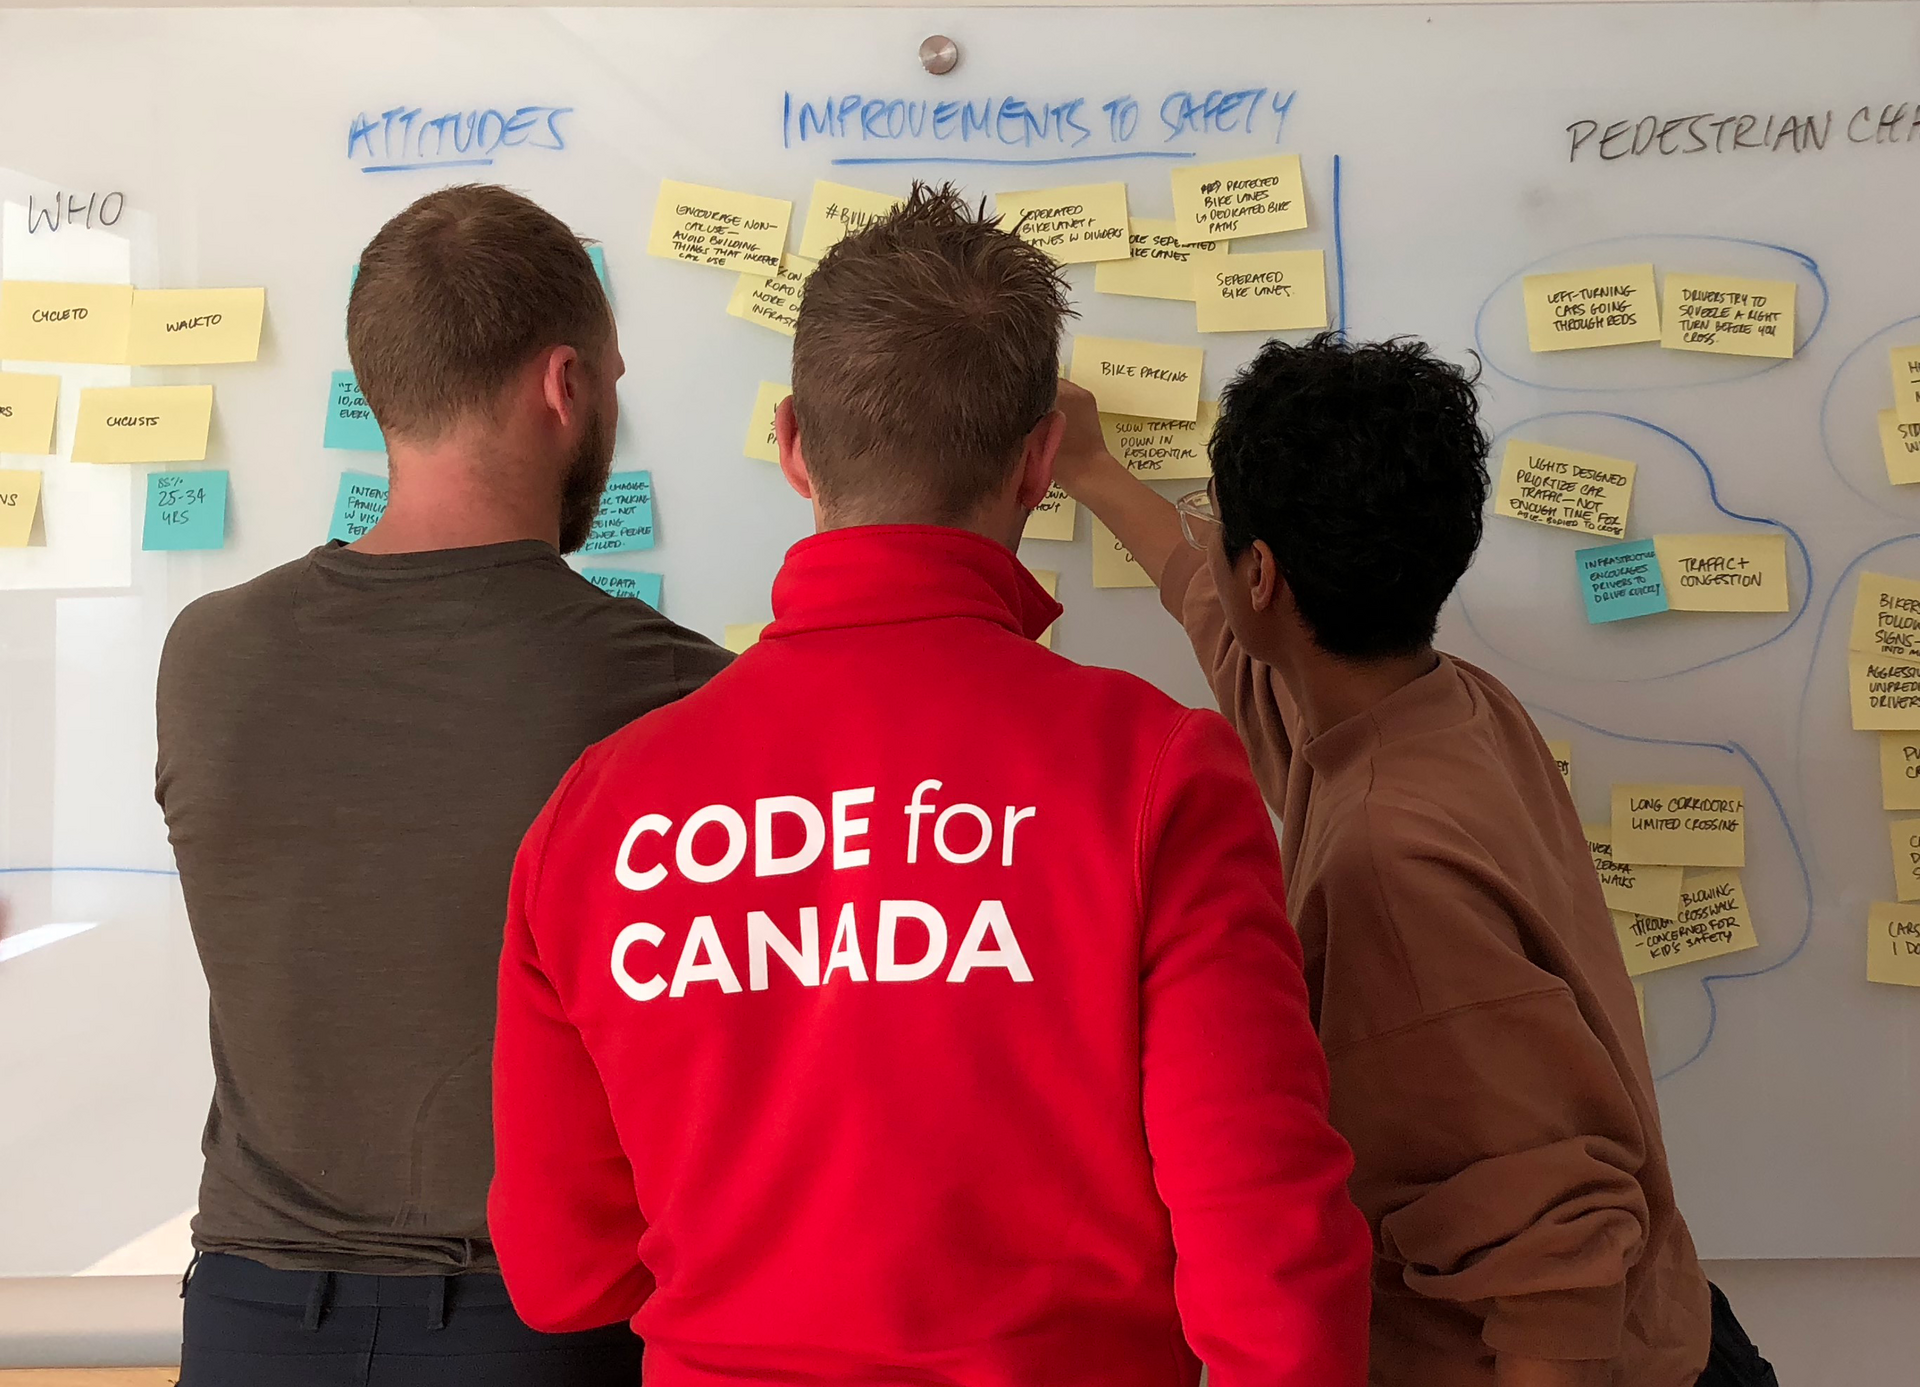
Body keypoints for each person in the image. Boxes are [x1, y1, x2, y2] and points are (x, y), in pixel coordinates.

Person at [488, 184, 1372, 1387]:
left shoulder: (599, 811)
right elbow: (1274, 1286)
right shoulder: (1158, 775)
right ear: (1041, 462)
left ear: (794, 446)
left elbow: (565, 1274)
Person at [1052, 336, 1780, 1387]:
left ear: (1264, 573)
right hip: (1668, 1325)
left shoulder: (1385, 866)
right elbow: (1236, 635)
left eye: (1217, 527)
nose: (1203, 547)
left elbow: (1552, 1267)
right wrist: (1091, 467)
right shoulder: (1450, 708)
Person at [156, 184, 728, 1386]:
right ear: (565, 386)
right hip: (536, 1325)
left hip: (250, 1319)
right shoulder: (670, 693)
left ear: (383, 387)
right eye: (614, 381)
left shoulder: (209, 656)